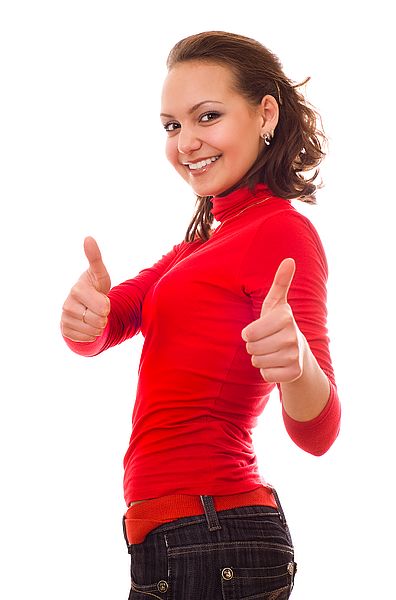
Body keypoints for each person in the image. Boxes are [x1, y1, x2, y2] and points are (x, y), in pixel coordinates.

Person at [60, 30, 341, 599]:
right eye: (172, 125)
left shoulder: (281, 231)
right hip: (184, 538)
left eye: (206, 116)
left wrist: (297, 364)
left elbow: (319, 432)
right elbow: (113, 321)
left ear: (266, 114)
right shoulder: (200, 246)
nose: (186, 142)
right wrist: (83, 320)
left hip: (213, 537)